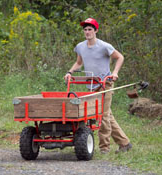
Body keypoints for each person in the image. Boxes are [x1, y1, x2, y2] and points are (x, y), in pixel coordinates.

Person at [64, 18, 132, 154]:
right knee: (107, 115)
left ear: (96, 31)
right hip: (91, 85)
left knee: (103, 115)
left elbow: (120, 57)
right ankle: (125, 144)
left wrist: (115, 73)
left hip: (105, 83)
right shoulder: (81, 46)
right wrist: (69, 72)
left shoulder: (104, 46)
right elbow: (79, 62)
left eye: (90, 29)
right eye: (85, 30)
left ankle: (104, 148)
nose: (87, 32)